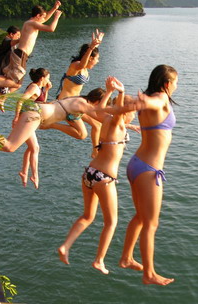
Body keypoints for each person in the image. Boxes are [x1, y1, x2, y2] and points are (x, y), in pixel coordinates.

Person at [58, 77, 140, 273]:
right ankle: (99, 260)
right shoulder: (118, 121)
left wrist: (109, 92)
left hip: (89, 173)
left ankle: (65, 246)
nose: (135, 117)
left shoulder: (106, 120)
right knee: (111, 222)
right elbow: (119, 114)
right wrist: (120, 92)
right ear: (126, 112)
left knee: (87, 216)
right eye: (134, 114)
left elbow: (101, 109)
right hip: (104, 178)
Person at [118, 65, 179, 286]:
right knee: (151, 224)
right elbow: (156, 102)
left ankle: (126, 258)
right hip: (148, 170)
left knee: (141, 217)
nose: (176, 86)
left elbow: (147, 103)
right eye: (175, 82)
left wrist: (136, 100)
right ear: (166, 83)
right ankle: (149, 273)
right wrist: (143, 101)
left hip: (137, 165)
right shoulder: (160, 98)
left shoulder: (149, 100)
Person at [0, 87, 139, 155]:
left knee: (11, 145)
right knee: (10, 146)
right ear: (97, 101)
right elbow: (102, 116)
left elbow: (103, 119)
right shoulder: (83, 104)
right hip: (37, 113)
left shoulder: (79, 102)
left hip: (36, 110)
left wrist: (129, 125)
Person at [0, 1, 62, 93]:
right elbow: (51, 28)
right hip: (21, 55)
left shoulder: (30, 23)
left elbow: (45, 19)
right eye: (42, 16)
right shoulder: (32, 24)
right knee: (17, 83)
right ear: (38, 16)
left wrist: (54, 8)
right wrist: (56, 17)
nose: (44, 19)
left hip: (18, 54)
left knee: (8, 78)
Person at [56, 30, 104, 150]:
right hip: (66, 103)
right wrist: (92, 47)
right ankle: (51, 124)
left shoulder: (85, 69)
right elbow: (82, 64)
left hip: (76, 103)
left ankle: (96, 151)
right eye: (96, 58)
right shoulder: (75, 66)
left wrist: (95, 46)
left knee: (97, 125)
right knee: (82, 134)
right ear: (90, 57)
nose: (97, 61)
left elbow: (85, 63)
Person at [15, 68, 52, 188]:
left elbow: (42, 103)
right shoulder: (34, 88)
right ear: (42, 78)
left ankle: (24, 172)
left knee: (32, 148)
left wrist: (46, 90)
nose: (49, 80)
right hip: (24, 121)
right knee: (35, 148)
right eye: (48, 78)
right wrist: (16, 117)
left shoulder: (39, 88)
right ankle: (34, 175)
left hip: (29, 121)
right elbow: (20, 100)